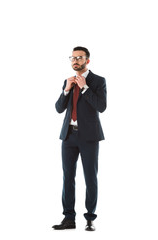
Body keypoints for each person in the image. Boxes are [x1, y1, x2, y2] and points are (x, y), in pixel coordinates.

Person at [52, 46, 107, 231]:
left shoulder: (98, 81)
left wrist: (85, 88)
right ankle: (69, 218)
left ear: (87, 60)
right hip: (68, 136)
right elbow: (59, 108)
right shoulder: (68, 81)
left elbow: (101, 106)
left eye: (79, 57)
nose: (75, 60)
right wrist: (67, 90)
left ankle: (90, 218)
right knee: (68, 177)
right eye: (73, 58)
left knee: (90, 177)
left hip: (89, 137)